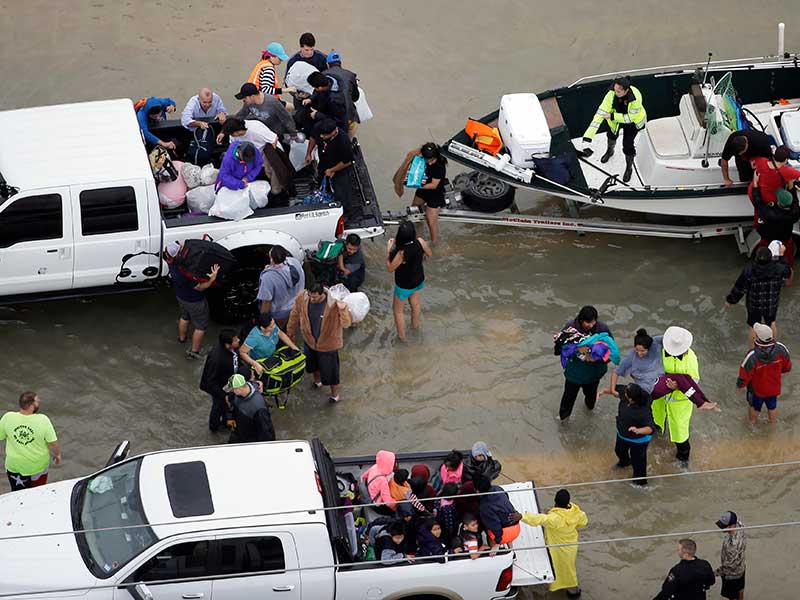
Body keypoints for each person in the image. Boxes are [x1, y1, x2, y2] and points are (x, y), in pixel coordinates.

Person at [601, 328, 718, 412]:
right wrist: (612, 390)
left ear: (649, 347)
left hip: (659, 380)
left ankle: (704, 400)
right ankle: (699, 403)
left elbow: (670, 338)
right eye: (637, 350)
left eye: (643, 351)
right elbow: (616, 372)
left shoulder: (655, 342)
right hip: (650, 388)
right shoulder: (631, 357)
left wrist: (681, 340)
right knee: (679, 377)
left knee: (685, 377)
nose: (639, 353)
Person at [287, 282, 352, 403]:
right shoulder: (302, 297)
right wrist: (290, 333)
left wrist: (343, 310)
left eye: (315, 297)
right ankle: (318, 383)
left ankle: (335, 396)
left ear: (322, 294)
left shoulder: (334, 302)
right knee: (312, 367)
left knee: (332, 375)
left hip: (328, 346)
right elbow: (295, 314)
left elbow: (346, 324)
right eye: (310, 295)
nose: (311, 299)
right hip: (309, 341)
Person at [521, 489, 588, 597]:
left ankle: (571, 591)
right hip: (571, 546)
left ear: (555, 501)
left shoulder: (555, 519)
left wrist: (521, 516)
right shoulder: (576, 511)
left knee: (561, 569)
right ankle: (573, 592)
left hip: (558, 549)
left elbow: (540, 519)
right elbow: (583, 522)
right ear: (568, 502)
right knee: (569, 569)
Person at [581, 76, 647, 183]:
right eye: (614, 89)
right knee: (611, 135)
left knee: (628, 145)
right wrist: (589, 135)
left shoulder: (636, 97)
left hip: (631, 123)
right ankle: (610, 151)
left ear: (626, 90)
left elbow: (631, 117)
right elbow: (601, 112)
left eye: (618, 91)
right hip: (615, 119)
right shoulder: (612, 93)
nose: (615, 93)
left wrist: (612, 116)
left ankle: (629, 168)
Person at [554, 306, 614, 420]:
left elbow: (612, 352)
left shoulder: (602, 329)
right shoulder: (570, 328)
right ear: (581, 320)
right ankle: (563, 422)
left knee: (591, 401)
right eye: (588, 322)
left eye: (593, 322)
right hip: (574, 374)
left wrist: (597, 358)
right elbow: (559, 348)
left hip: (593, 374)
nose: (591, 325)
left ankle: (589, 415)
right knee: (567, 400)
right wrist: (577, 349)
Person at [652, 326, 701, 466]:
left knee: (681, 435)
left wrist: (678, 387)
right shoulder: (658, 351)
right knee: (656, 421)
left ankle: (683, 461)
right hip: (660, 399)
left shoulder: (691, 359)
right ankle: (656, 438)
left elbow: (694, 382)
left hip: (679, 403)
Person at [725, 246, 791, 347]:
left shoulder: (749, 271)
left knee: (754, 326)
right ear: (771, 258)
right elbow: (788, 272)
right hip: (771, 304)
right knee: (771, 323)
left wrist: (730, 301)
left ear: (756, 258)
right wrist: (781, 256)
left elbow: (740, 288)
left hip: (754, 305)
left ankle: (751, 351)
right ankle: (772, 347)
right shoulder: (778, 269)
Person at [164, 241, 219, 360]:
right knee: (200, 327)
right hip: (195, 300)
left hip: (181, 296)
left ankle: (182, 339)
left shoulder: (171, 263)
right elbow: (200, 287)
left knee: (184, 317)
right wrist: (211, 279)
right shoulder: (184, 271)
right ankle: (194, 353)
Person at [0, 392, 61, 491]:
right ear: (31, 405)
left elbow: (0, 436)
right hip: (38, 467)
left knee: (17, 494)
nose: (39, 401)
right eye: (37, 401)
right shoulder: (43, 420)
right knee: (37, 492)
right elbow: (53, 443)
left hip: (15, 467)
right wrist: (57, 455)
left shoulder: (8, 417)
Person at [219, 117, 292, 200]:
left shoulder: (256, 129)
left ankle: (277, 192)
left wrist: (266, 160)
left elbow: (273, 140)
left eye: (232, 134)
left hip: (266, 149)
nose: (231, 136)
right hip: (247, 154)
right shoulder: (233, 137)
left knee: (271, 170)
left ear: (237, 131)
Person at [386, 221, 433, 342]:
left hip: (404, 285)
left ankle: (402, 338)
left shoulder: (402, 253)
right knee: (415, 304)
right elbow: (430, 254)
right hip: (418, 280)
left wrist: (388, 251)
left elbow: (390, 268)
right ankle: (414, 327)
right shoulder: (420, 242)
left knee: (398, 311)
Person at [737, 322, 791, 424]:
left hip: (757, 391)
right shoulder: (781, 349)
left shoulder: (752, 356)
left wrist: (739, 386)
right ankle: (772, 425)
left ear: (757, 338)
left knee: (754, 407)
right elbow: (787, 367)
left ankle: (752, 426)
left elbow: (744, 375)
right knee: (772, 407)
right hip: (774, 388)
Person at [752, 168, 800, 272]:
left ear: (778, 202)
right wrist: (790, 184)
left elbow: (758, 203)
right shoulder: (794, 213)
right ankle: (787, 277)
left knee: (765, 263)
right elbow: (795, 201)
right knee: (788, 263)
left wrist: (755, 183)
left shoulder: (769, 213)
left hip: (767, 242)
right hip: (785, 242)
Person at [309, 118, 356, 216]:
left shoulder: (343, 141)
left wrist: (332, 170)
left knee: (341, 192)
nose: (321, 136)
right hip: (324, 163)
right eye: (321, 134)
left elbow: (347, 162)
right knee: (320, 181)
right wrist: (308, 153)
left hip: (340, 167)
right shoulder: (319, 128)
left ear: (334, 132)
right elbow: (313, 138)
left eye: (325, 135)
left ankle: (344, 213)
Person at [199, 329, 242, 432]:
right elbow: (211, 381)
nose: (239, 341)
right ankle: (213, 428)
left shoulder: (233, 349)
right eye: (236, 340)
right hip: (219, 388)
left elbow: (237, 361)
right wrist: (224, 395)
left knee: (228, 406)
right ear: (228, 344)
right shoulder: (216, 359)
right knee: (217, 407)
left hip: (229, 382)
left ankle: (226, 422)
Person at [613, 383, 656, 485]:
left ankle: (640, 484)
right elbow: (615, 387)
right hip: (622, 434)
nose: (624, 391)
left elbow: (650, 428)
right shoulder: (625, 394)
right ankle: (625, 463)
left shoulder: (644, 411)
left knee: (639, 464)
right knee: (619, 451)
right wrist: (604, 391)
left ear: (631, 397)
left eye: (626, 391)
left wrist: (638, 430)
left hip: (638, 441)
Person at [257, 245, 305, 330]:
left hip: (280, 313)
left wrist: (263, 319)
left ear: (271, 258)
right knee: (291, 329)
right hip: (297, 306)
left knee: (279, 332)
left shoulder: (268, 278)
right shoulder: (294, 262)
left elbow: (266, 302)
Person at [239, 313, 300, 377]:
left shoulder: (273, 327)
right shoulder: (254, 337)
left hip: (271, 357)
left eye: (274, 324)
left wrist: (294, 347)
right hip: (259, 362)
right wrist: (255, 364)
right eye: (271, 326)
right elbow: (242, 352)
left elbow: (281, 334)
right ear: (262, 328)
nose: (274, 327)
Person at [411, 143, 447, 244]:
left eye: (432, 160)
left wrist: (416, 185)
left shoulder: (439, 166)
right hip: (423, 190)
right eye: (428, 160)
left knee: (431, 221)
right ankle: (419, 233)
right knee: (415, 211)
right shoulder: (422, 156)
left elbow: (434, 185)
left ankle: (434, 242)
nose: (429, 163)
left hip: (435, 194)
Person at [223, 373, 276, 443]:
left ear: (239, 389)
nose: (232, 392)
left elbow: (266, 432)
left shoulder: (259, 408)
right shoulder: (238, 392)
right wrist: (230, 417)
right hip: (238, 430)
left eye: (232, 390)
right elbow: (231, 402)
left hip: (250, 439)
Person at [476, 476, 522, 554]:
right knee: (504, 519)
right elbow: (507, 497)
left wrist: (498, 542)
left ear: (477, 490)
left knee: (488, 529)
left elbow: (495, 525)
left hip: (505, 534)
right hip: (516, 528)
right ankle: (512, 551)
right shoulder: (498, 489)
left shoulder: (485, 506)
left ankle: (494, 552)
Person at [323, 51, 360, 138]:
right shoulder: (351, 75)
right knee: (347, 142)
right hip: (349, 118)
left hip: (330, 120)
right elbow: (355, 98)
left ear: (328, 64)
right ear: (340, 63)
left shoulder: (322, 75)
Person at [715, 511, 746, 600]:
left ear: (731, 526)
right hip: (741, 567)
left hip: (732, 575)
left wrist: (714, 573)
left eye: (724, 526)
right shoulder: (740, 526)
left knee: (732, 596)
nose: (722, 528)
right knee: (740, 590)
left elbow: (728, 566)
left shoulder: (732, 546)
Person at [361, 450, 397, 514]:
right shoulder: (382, 481)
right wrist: (397, 504)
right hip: (378, 505)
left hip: (370, 494)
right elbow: (388, 502)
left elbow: (364, 477)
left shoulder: (375, 466)